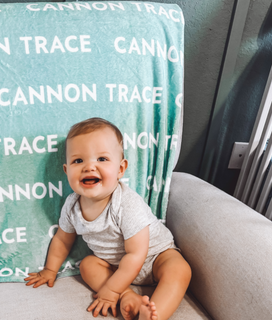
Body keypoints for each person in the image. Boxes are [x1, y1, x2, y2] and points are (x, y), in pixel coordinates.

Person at [25, 118, 191, 320]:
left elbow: (136, 254)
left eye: (101, 159)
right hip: (115, 265)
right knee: (87, 265)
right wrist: (50, 270)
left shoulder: (126, 204)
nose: (89, 167)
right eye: (78, 161)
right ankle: (128, 297)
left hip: (156, 257)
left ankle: (155, 314)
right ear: (67, 171)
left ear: (120, 169)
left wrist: (111, 290)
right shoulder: (72, 205)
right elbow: (62, 239)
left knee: (179, 270)